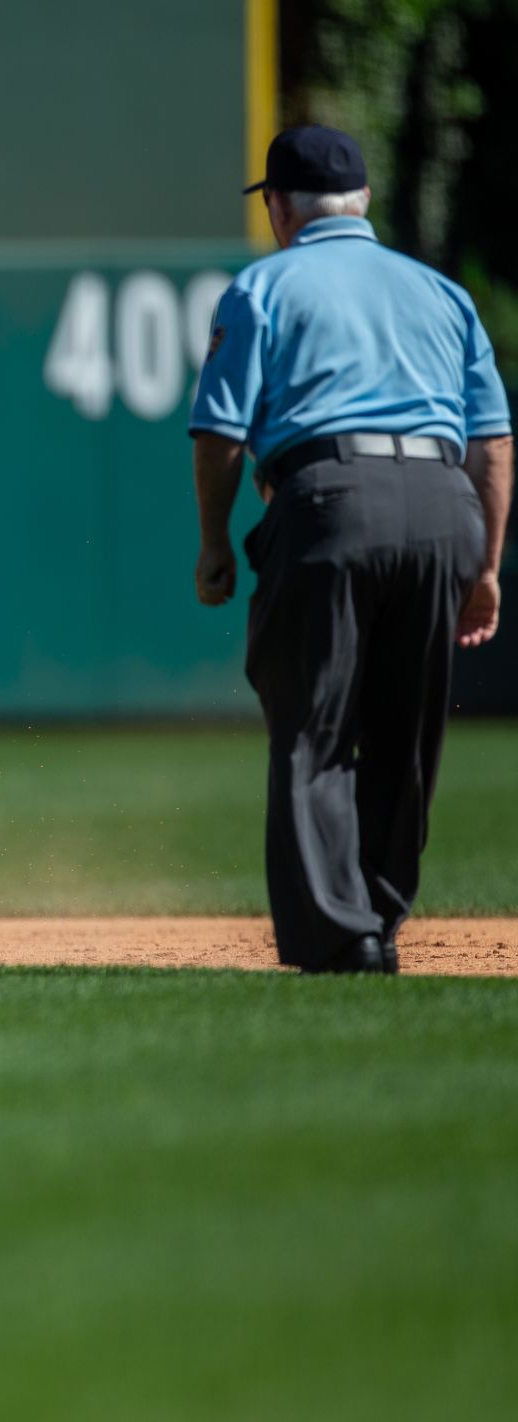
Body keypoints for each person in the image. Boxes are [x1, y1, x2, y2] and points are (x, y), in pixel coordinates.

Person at [190, 124, 511, 975]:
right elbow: (493, 440)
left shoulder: (263, 287)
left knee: (314, 725)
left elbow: (220, 432)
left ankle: (341, 933)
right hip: (445, 505)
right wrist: (485, 566)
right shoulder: (443, 294)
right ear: (363, 201)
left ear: (283, 210)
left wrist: (215, 542)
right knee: (403, 736)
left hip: (331, 500)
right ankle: (380, 912)